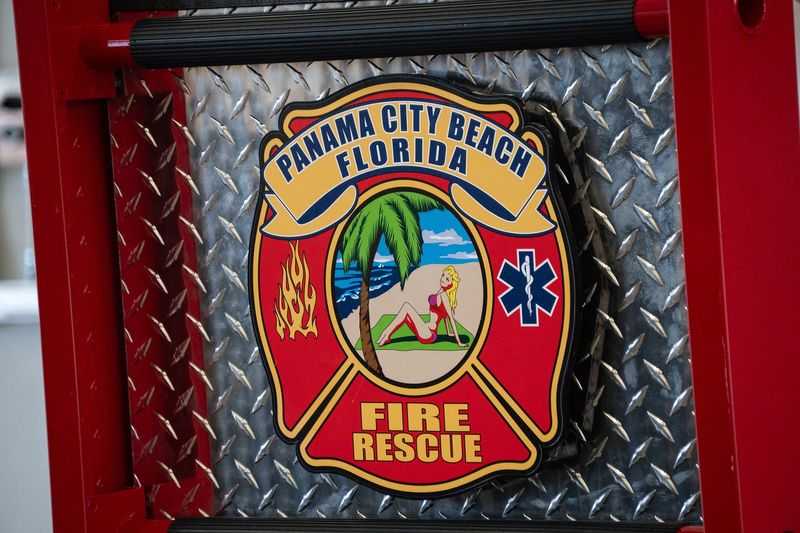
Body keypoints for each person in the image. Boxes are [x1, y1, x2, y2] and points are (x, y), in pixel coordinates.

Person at [378, 266, 467, 348]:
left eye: (447, 279)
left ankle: (386, 333)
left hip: (429, 335)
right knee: (405, 314)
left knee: (406, 307)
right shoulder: (440, 292)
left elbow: (450, 318)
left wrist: (458, 342)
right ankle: (386, 334)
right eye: (443, 275)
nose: (443, 279)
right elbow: (444, 317)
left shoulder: (444, 296)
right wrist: (448, 333)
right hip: (425, 329)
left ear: (451, 284)